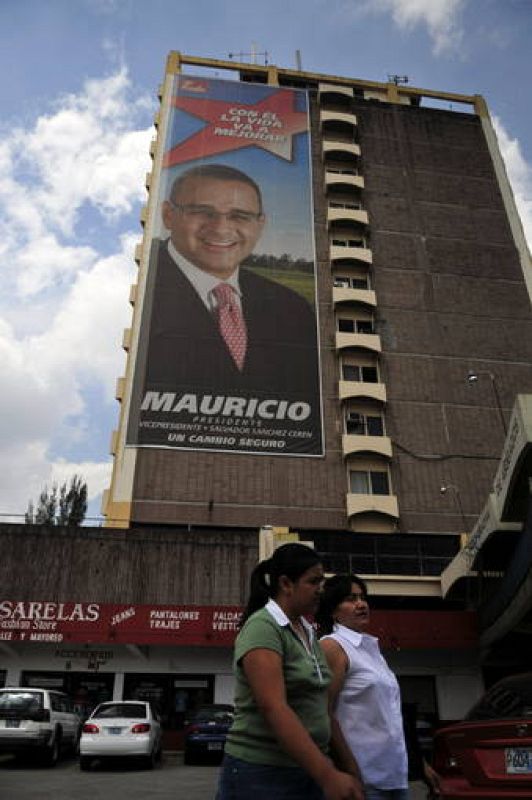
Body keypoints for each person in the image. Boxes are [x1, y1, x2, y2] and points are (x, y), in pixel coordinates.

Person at [143, 163, 320, 401]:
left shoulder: (292, 307)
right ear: (168, 215)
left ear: (260, 224)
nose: (221, 229)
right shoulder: (144, 289)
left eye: (240, 216)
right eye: (202, 212)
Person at [216, 543, 364, 800]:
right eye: (313, 581)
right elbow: (274, 707)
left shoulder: (307, 631)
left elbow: (323, 709)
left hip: (307, 770)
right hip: (262, 775)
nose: (321, 589)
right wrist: (328, 776)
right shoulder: (263, 627)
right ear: (286, 584)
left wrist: (350, 770)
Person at [317, 574, 441, 800]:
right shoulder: (332, 646)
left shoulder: (372, 651)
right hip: (364, 780)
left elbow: (390, 716)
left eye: (362, 597)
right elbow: (323, 713)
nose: (361, 604)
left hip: (396, 776)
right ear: (332, 610)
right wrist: (351, 770)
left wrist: (419, 763)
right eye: (350, 599)